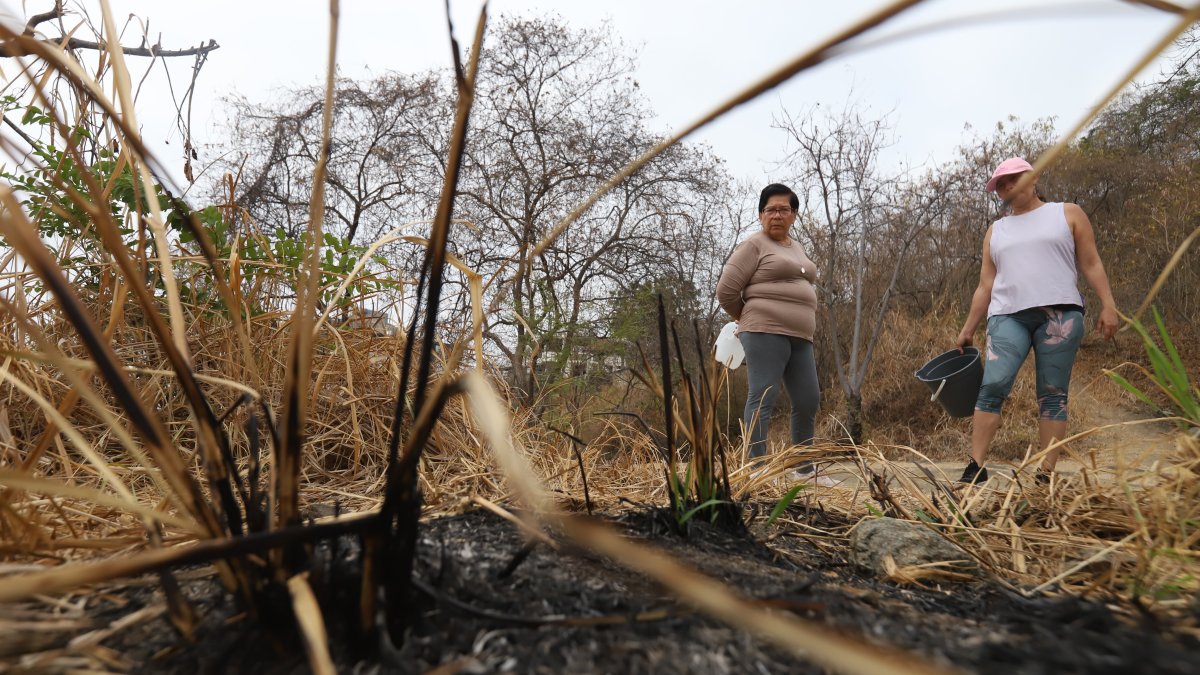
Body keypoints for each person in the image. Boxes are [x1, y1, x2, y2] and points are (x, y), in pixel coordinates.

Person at [955, 157, 1119, 484]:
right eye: (1000, 184)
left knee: (1052, 392)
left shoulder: (1066, 213)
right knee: (993, 385)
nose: (1005, 187)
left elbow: (1090, 262)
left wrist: (1108, 304)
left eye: (1012, 179)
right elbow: (985, 284)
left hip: (1060, 315)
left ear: (1033, 178)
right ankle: (975, 468)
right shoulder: (996, 231)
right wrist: (968, 327)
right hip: (1006, 316)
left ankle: (1045, 474)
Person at [716, 183, 833, 486]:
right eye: (770, 209)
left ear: (794, 214)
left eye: (783, 209)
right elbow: (726, 290)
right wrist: (749, 318)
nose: (776, 215)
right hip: (764, 332)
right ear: (760, 215)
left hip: (801, 337)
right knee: (763, 395)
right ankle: (756, 469)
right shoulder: (754, 245)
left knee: (808, 398)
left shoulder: (796, 247)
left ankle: (804, 470)